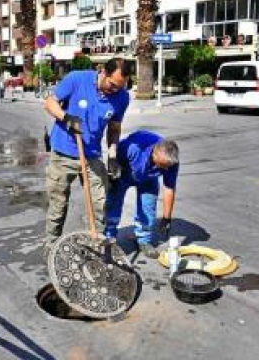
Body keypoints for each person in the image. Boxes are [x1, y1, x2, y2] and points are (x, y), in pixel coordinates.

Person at [43, 57, 131, 257]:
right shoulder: (77, 79)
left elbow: (114, 128)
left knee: (100, 202)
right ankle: (51, 247)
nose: (115, 90)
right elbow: (49, 103)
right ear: (103, 72)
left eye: (120, 87)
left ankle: (96, 245)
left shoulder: (122, 97)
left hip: (91, 155)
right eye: (112, 84)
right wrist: (66, 118)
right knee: (58, 203)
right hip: (63, 153)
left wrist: (113, 156)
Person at [104, 130, 180, 258]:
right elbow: (113, 154)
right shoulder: (133, 148)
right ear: (154, 154)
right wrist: (112, 173)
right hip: (124, 173)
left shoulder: (171, 162)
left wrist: (167, 218)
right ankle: (108, 237)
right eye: (162, 166)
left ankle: (144, 240)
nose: (165, 170)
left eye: (167, 167)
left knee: (148, 207)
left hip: (148, 178)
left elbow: (169, 189)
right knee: (113, 204)